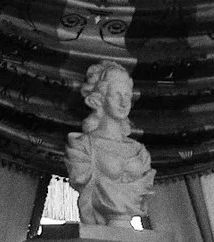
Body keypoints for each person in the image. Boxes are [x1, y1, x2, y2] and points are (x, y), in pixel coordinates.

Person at [66, 60, 156, 228]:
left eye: (127, 96)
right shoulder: (83, 147)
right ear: (101, 98)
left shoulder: (139, 152)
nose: (124, 103)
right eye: (117, 95)